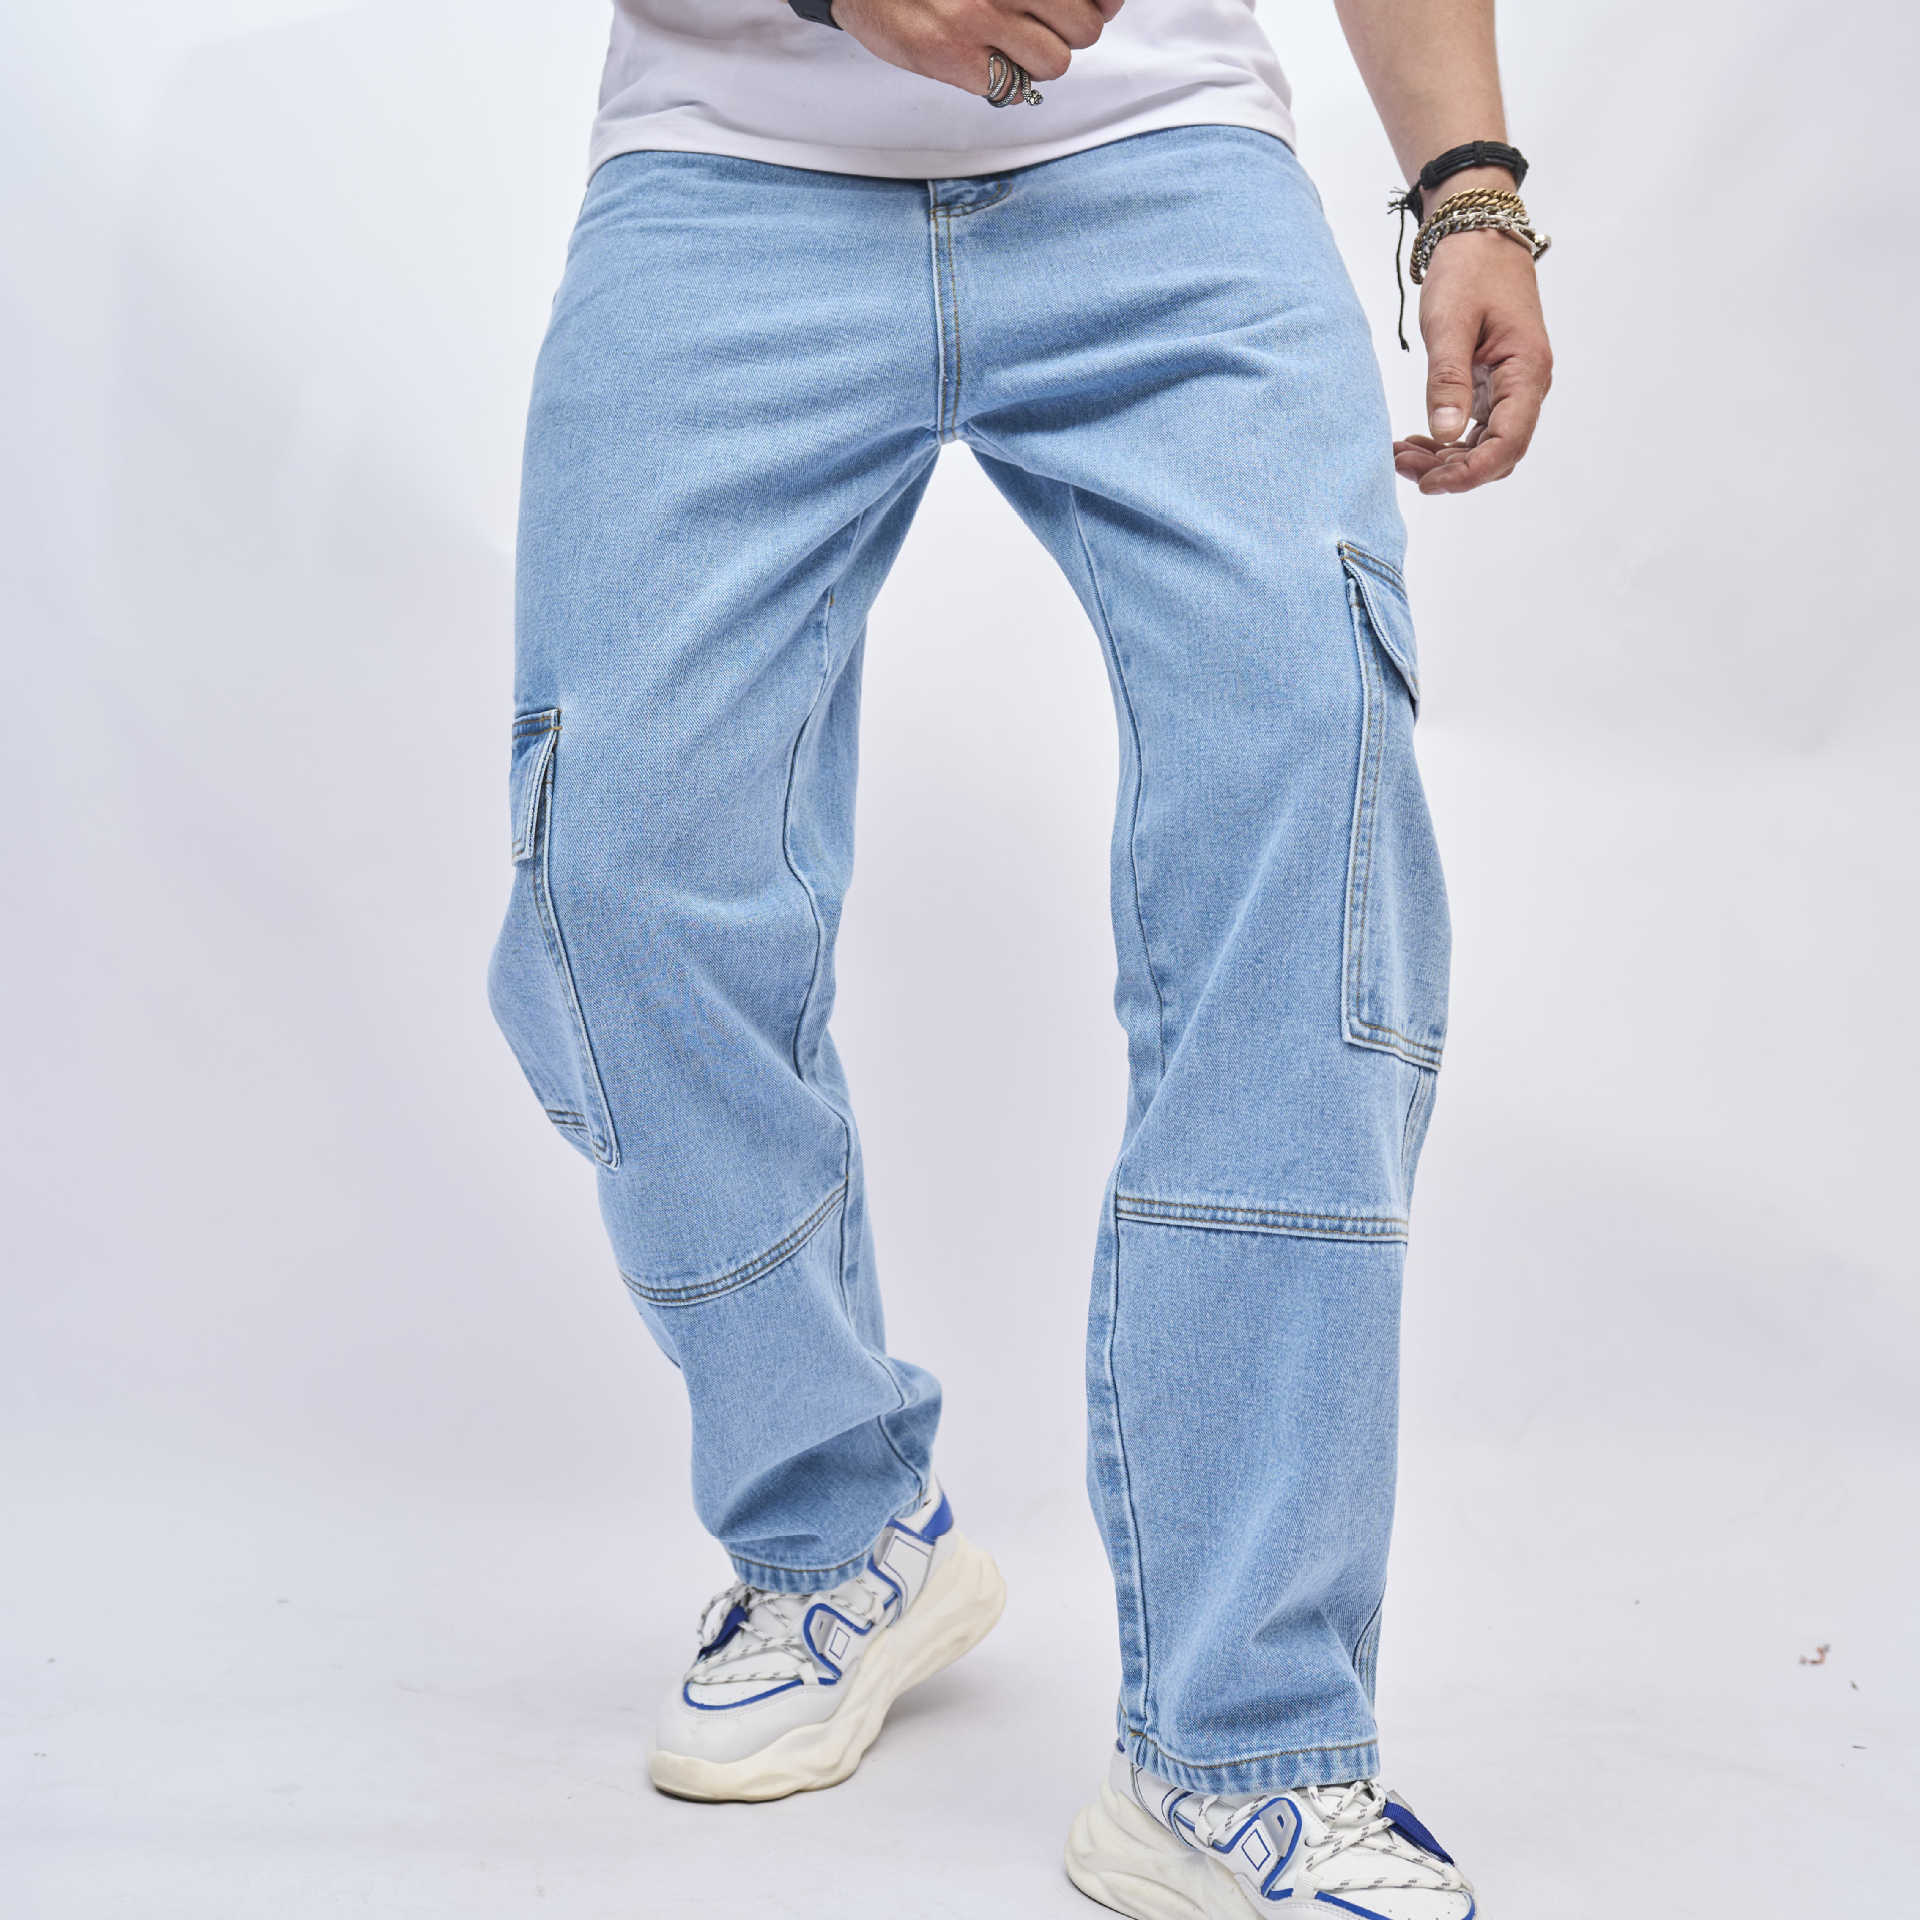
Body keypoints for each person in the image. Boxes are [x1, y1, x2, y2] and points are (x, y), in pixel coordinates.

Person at [488, 1, 1551, 1911]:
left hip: (1169, 178)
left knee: (1308, 831)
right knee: (615, 880)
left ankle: (1243, 1745)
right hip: (724, 176)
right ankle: (837, 1526)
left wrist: (1468, 187)